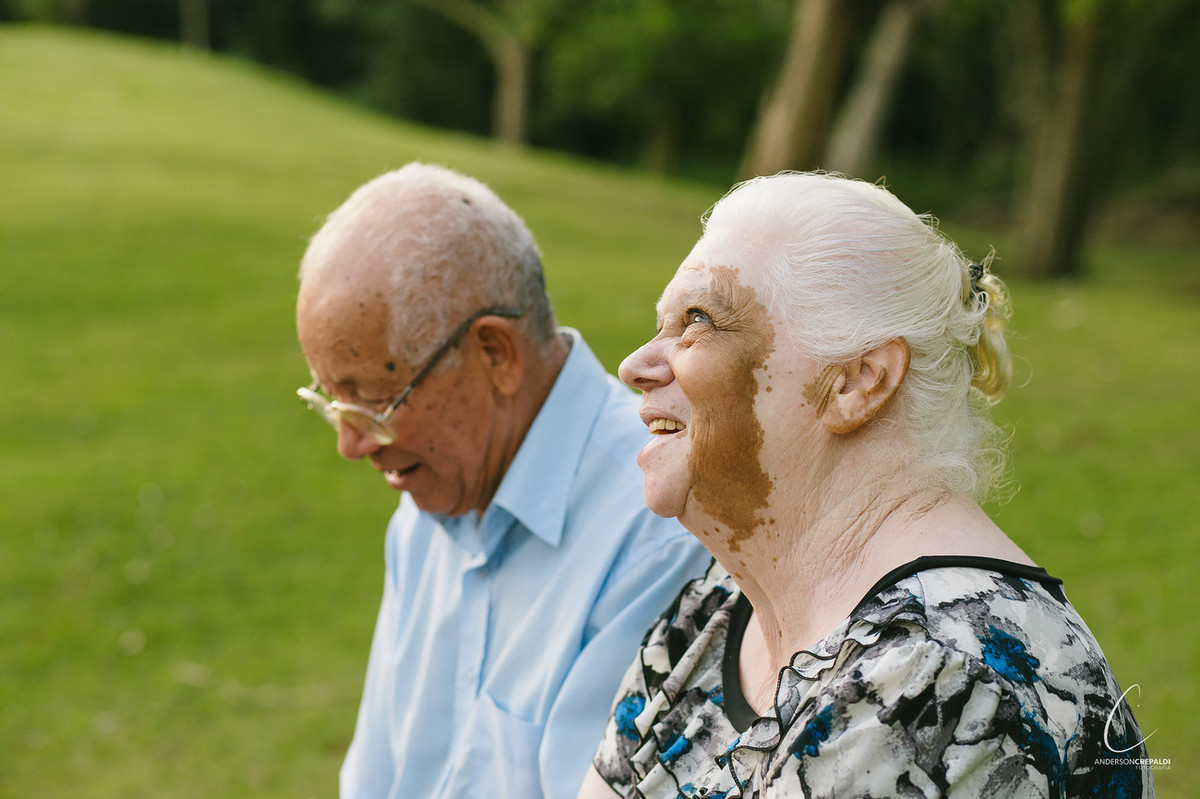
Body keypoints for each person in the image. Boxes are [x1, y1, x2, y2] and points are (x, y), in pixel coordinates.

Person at [579, 172, 1155, 798]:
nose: (634, 366)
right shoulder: (718, 614)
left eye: (698, 320)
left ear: (857, 382)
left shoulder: (940, 678)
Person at [294, 162, 711, 799]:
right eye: (331, 404)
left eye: (373, 403)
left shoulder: (660, 528)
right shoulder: (427, 506)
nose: (351, 445)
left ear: (495, 355)